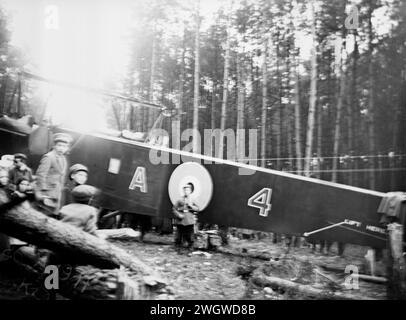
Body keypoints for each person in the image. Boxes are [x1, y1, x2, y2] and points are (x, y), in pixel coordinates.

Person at [35, 133, 72, 216]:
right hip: (47, 192)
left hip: (56, 192)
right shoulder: (49, 157)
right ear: (54, 146)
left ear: (67, 148)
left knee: (52, 215)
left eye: (64, 146)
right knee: (42, 214)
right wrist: (42, 193)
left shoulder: (63, 158)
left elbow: (61, 176)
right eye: (59, 145)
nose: (61, 148)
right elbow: (41, 175)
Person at [173, 183, 199, 251]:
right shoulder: (179, 199)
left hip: (189, 219)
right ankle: (178, 246)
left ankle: (190, 246)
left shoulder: (193, 199)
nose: (186, 191)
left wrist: (191, 206)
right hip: (181, 219)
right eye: (185, 190)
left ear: (190, 191)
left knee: (190, 234)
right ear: (183, 191)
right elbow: (174, 209)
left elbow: (197, 208)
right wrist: (178, 215)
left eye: (187, 190)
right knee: (179, 234)